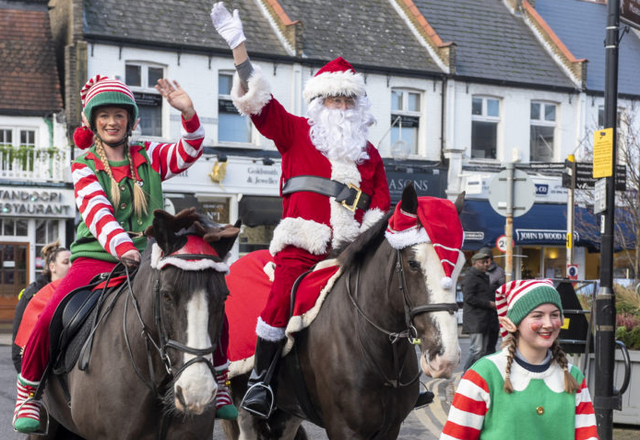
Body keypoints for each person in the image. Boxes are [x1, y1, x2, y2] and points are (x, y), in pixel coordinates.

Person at [12, 74, 235, 433]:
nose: (112, 122)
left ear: (130, 120)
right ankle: (28, 391)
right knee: (51, 313)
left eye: (119, 115)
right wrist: (126, 250)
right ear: (93, 122)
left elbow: (190, 150)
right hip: (97, 258)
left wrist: (189, 112)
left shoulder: (150, 157)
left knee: (207, 302)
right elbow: (99, 215)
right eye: (104, 116)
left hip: (152, 257)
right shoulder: (84, 165)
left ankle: (220, 383)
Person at [210, 2, 391, 419]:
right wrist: (239, 49)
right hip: (302, 246)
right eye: (333, 101)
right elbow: (259, 105)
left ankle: (402, 378)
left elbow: (380, 203)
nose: (341, 109)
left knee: (391, 294)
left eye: (348, 102)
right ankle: (261, 381)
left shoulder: (370, 156)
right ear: (318, 104)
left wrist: (365, 237)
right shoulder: (294, 133)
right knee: (281, 297)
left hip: (352, 250)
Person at [440, 279, 599, 440]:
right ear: (511, 323)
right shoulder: (482, 375)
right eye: (537, 316)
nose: (548, 324)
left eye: (555, 315)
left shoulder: (574, 376)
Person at [11, 241, 71, 373]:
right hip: (39, 375)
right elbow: (18, 347)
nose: (71, 266)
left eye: (73, 262)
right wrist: (28, 382)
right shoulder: (32, 294)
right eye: (66, 262)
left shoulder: (75, 292)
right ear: (52, 267)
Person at [461, 250, 498, 372]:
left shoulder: (483, 276)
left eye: (487, 262)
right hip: (475, 319)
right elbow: (468, 298)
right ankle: (466, 374)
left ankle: (477, 374)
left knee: (482, 351)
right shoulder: (471, 277)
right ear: (475, 263)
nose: (487, 264)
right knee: (476, 349)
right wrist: (489, 304)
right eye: (483, 262)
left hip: (484, 319)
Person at [479, 245, 504, 354]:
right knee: (478, 348)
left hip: (494, 311)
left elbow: (503, 290)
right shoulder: (477, 271)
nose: (485, 262)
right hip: (481, 313)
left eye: (487, 258)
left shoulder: (499, 272)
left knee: (491, 345)